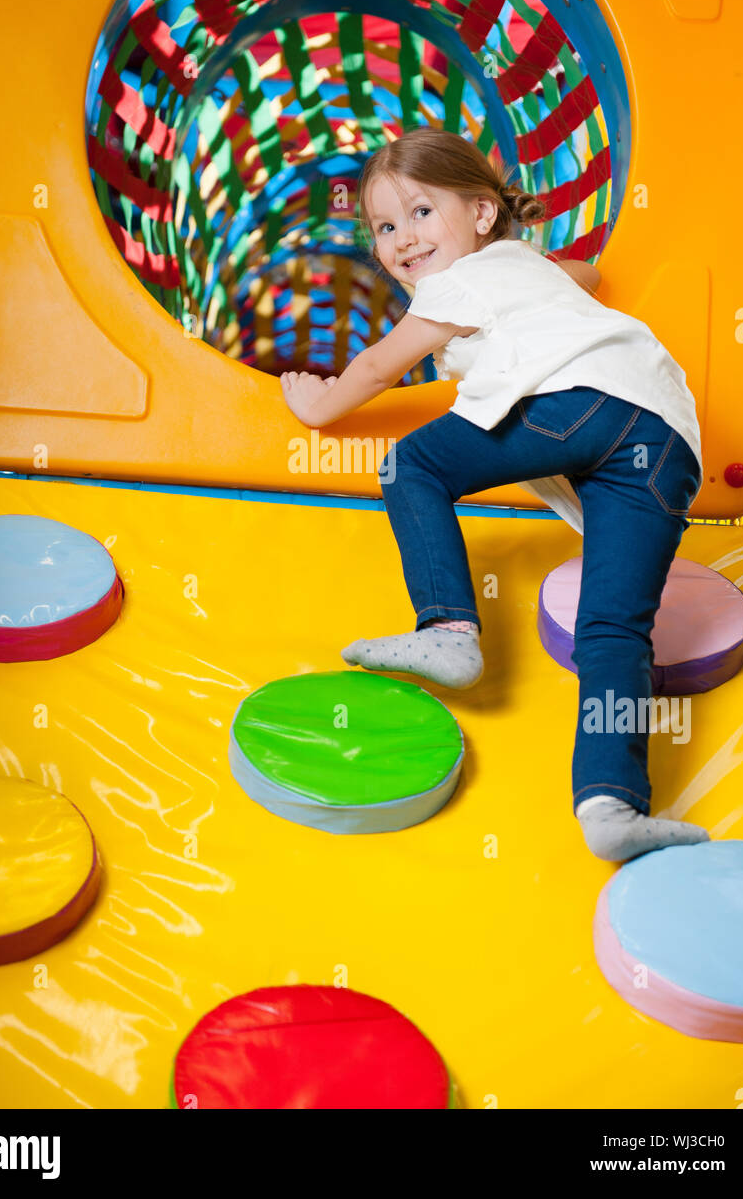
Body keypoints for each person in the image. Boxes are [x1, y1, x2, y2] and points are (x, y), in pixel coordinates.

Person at [280, 128, 707, 863]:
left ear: (482, 215)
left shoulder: (460, 284)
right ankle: (612, 804)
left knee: (412, 465)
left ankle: (448, 629)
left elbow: (381, 365)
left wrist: (314, 404)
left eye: (420, 213)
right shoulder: (524, 268)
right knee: (615, 632)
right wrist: (544, 269)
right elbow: (590, 276)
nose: (402, 240)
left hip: (581, 403)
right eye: (384, 227)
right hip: (666, 439)